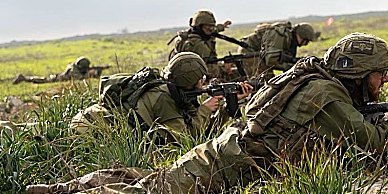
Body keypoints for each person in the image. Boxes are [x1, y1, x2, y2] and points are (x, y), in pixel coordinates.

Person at [1, 32, 388, 194]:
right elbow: (368, 140)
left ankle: (65, 192)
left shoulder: (331, 89)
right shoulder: (326, 95)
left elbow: (373, 132)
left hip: (235, 155)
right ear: (361, 73)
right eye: (381, 75)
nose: (386, 83)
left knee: (151, 184)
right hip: (229, 161)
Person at [70, 52, 253, 140]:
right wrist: (205, 109)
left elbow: (201, 131)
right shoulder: (163, 97)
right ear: (190, 80)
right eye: (201, 78)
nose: (203, 82)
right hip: (90, 128)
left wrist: (227, 110)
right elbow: (184, 138)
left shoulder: (177, 92)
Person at [167, 10, 233, 80]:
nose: (211, 29)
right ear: (199, 26)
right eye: (208, 27)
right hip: (191, 81)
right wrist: (224, 68)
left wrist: (222, 26)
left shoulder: (188, 35)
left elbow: (212, 30)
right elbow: (204, 71)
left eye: (212, 26)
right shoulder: (198, 45)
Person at [238, 21, 317, 76]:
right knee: (264, 82)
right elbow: (271, 61)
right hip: (249, 52)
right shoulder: (280, 36)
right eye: (306, 41)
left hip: (260, 55)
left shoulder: (291, 41)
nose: (306, 44)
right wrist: (290, 66)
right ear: (301, 36)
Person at [12, 56, 105, 84]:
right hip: (58, 78)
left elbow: (96, 77)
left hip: (59, 76)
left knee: (43, 80)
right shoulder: (74, 69)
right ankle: (24, 78)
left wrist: (99, 70)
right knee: (43, 80)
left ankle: (24, 78)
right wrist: (89, 74)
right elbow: (79, 78)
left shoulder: (76, 66)